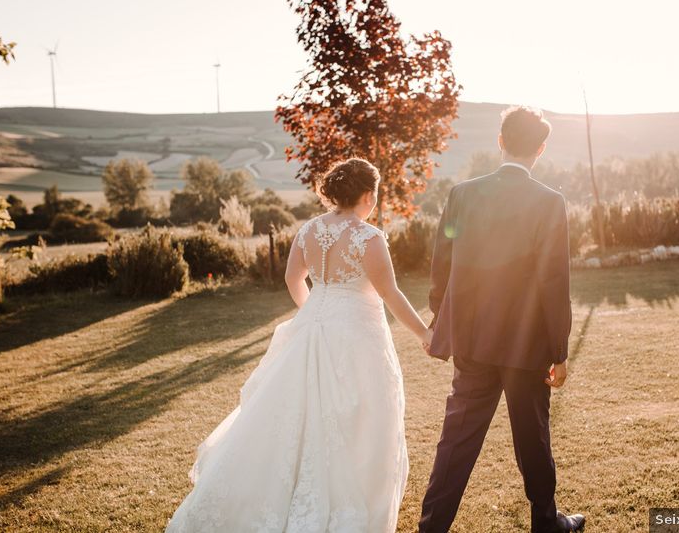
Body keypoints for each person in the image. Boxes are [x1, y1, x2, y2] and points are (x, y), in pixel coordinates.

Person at [165, 157, 431, 532]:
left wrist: (316, 313)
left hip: (311, 328)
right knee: (362, 414)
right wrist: (424, 333)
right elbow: (390, 293)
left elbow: (294, 279)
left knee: (296, 413)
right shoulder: (368, 237)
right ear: (368, 195)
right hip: (357, 337)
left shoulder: (309, 230)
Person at [419, 106, 585, 533]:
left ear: (500, 141)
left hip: (472, 341)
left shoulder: (463, 194)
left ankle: (431, 527)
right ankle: (547, 525)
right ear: (541, 148)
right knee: (533, 439)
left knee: (456, 440)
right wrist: (559, 351)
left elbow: (442, 264)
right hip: (526, 347)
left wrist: (441, 319)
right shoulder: (550, 202)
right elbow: (554, 282)